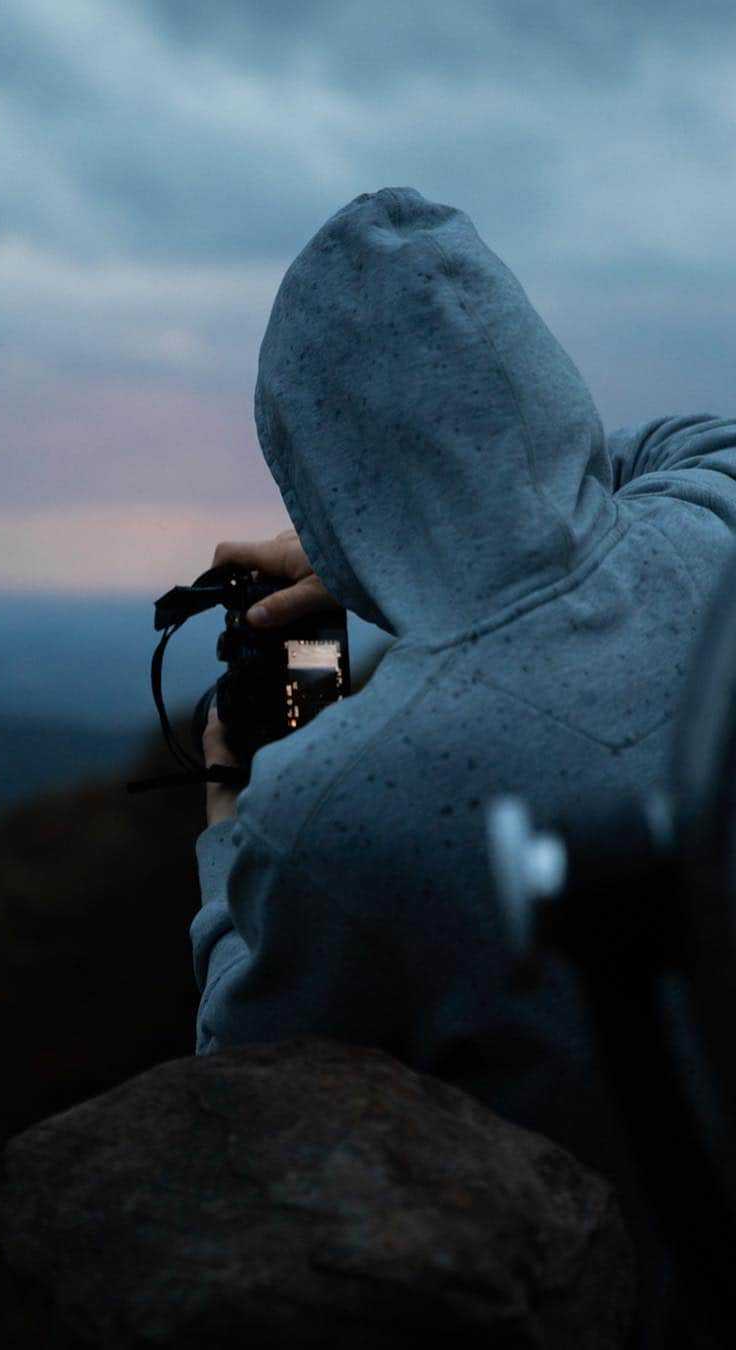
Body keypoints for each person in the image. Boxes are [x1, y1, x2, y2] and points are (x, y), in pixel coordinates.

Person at [189, 187, 736, 1349]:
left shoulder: (331, 810)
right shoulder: (714, 544)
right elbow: (686, 446)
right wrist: (431, 535)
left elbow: (241, 1079)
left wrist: (230, 809)